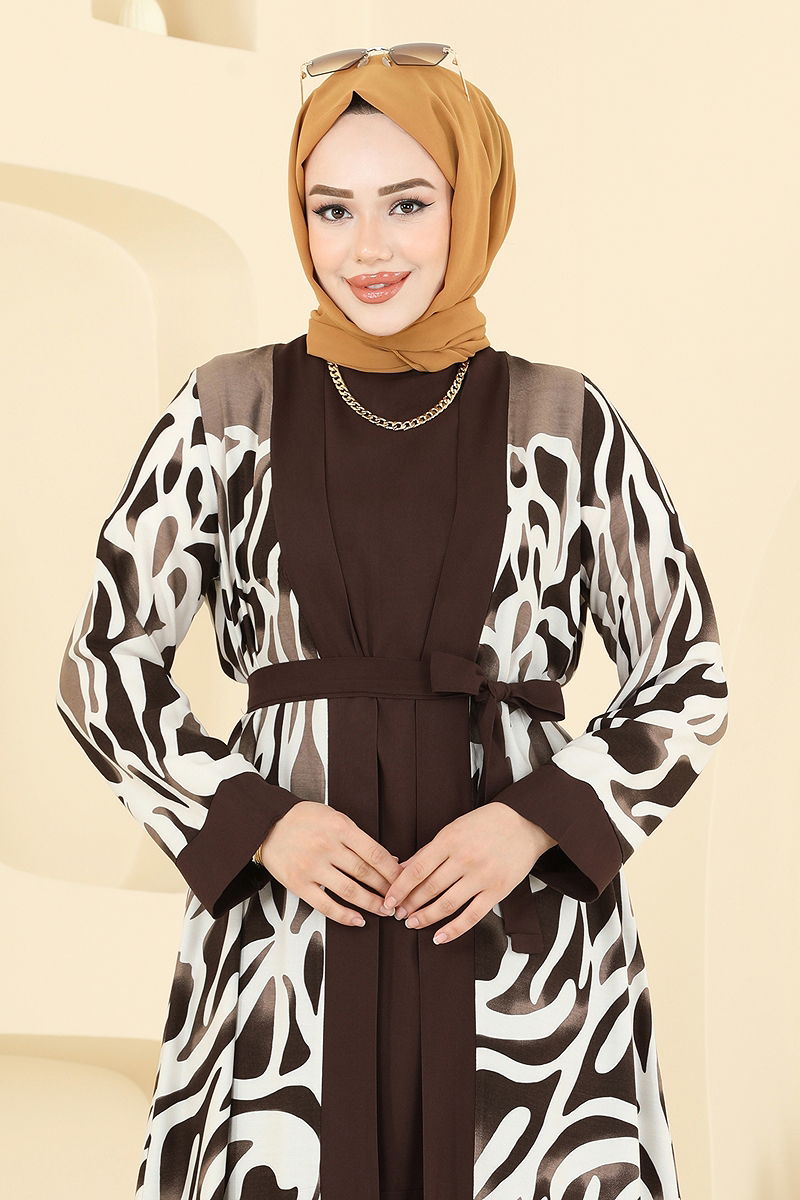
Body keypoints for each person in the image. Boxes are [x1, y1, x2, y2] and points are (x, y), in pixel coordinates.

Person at [56, 45, 729, 1200]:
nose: (366, 248)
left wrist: (531, 822)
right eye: (332, 209)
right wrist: (258, 822)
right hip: (290, 945)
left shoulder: (563, 420)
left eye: (407, 204)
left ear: (471, 204)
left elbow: (686, 673)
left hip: (519, 948)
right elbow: (101, 667)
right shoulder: (227, 411)